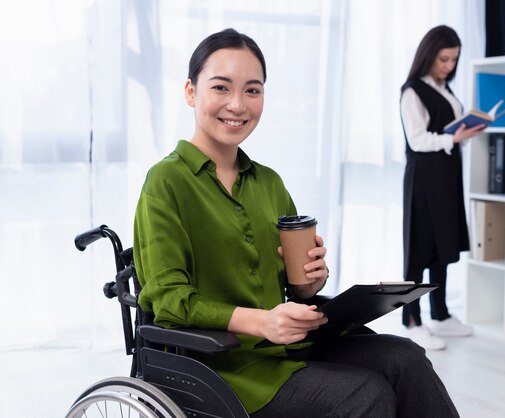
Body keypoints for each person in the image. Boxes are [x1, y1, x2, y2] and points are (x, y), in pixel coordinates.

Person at [134, 28, 460, 417]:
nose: (237, 105)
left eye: (253, 91)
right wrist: (262, 322)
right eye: (221, 88)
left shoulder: (268, 182)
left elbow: (298, 287)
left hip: (287, 347)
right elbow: (168, 298)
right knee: (364, 393)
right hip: (220, 365)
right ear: (191, 92)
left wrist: (312, 278)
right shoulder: (166, 182)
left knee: (406, 358)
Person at [400, 25, 483, 351]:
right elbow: (417, 139)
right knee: (419, 247)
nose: (448, 65)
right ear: (429, 55)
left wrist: (465, 131)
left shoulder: (444, 89)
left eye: (454, 60)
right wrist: (453, 137)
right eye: (444, 58)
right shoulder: (412, 91)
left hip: (447, 176)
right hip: (424, 178)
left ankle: (441, 313)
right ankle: (412, 319)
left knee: (442, 244)